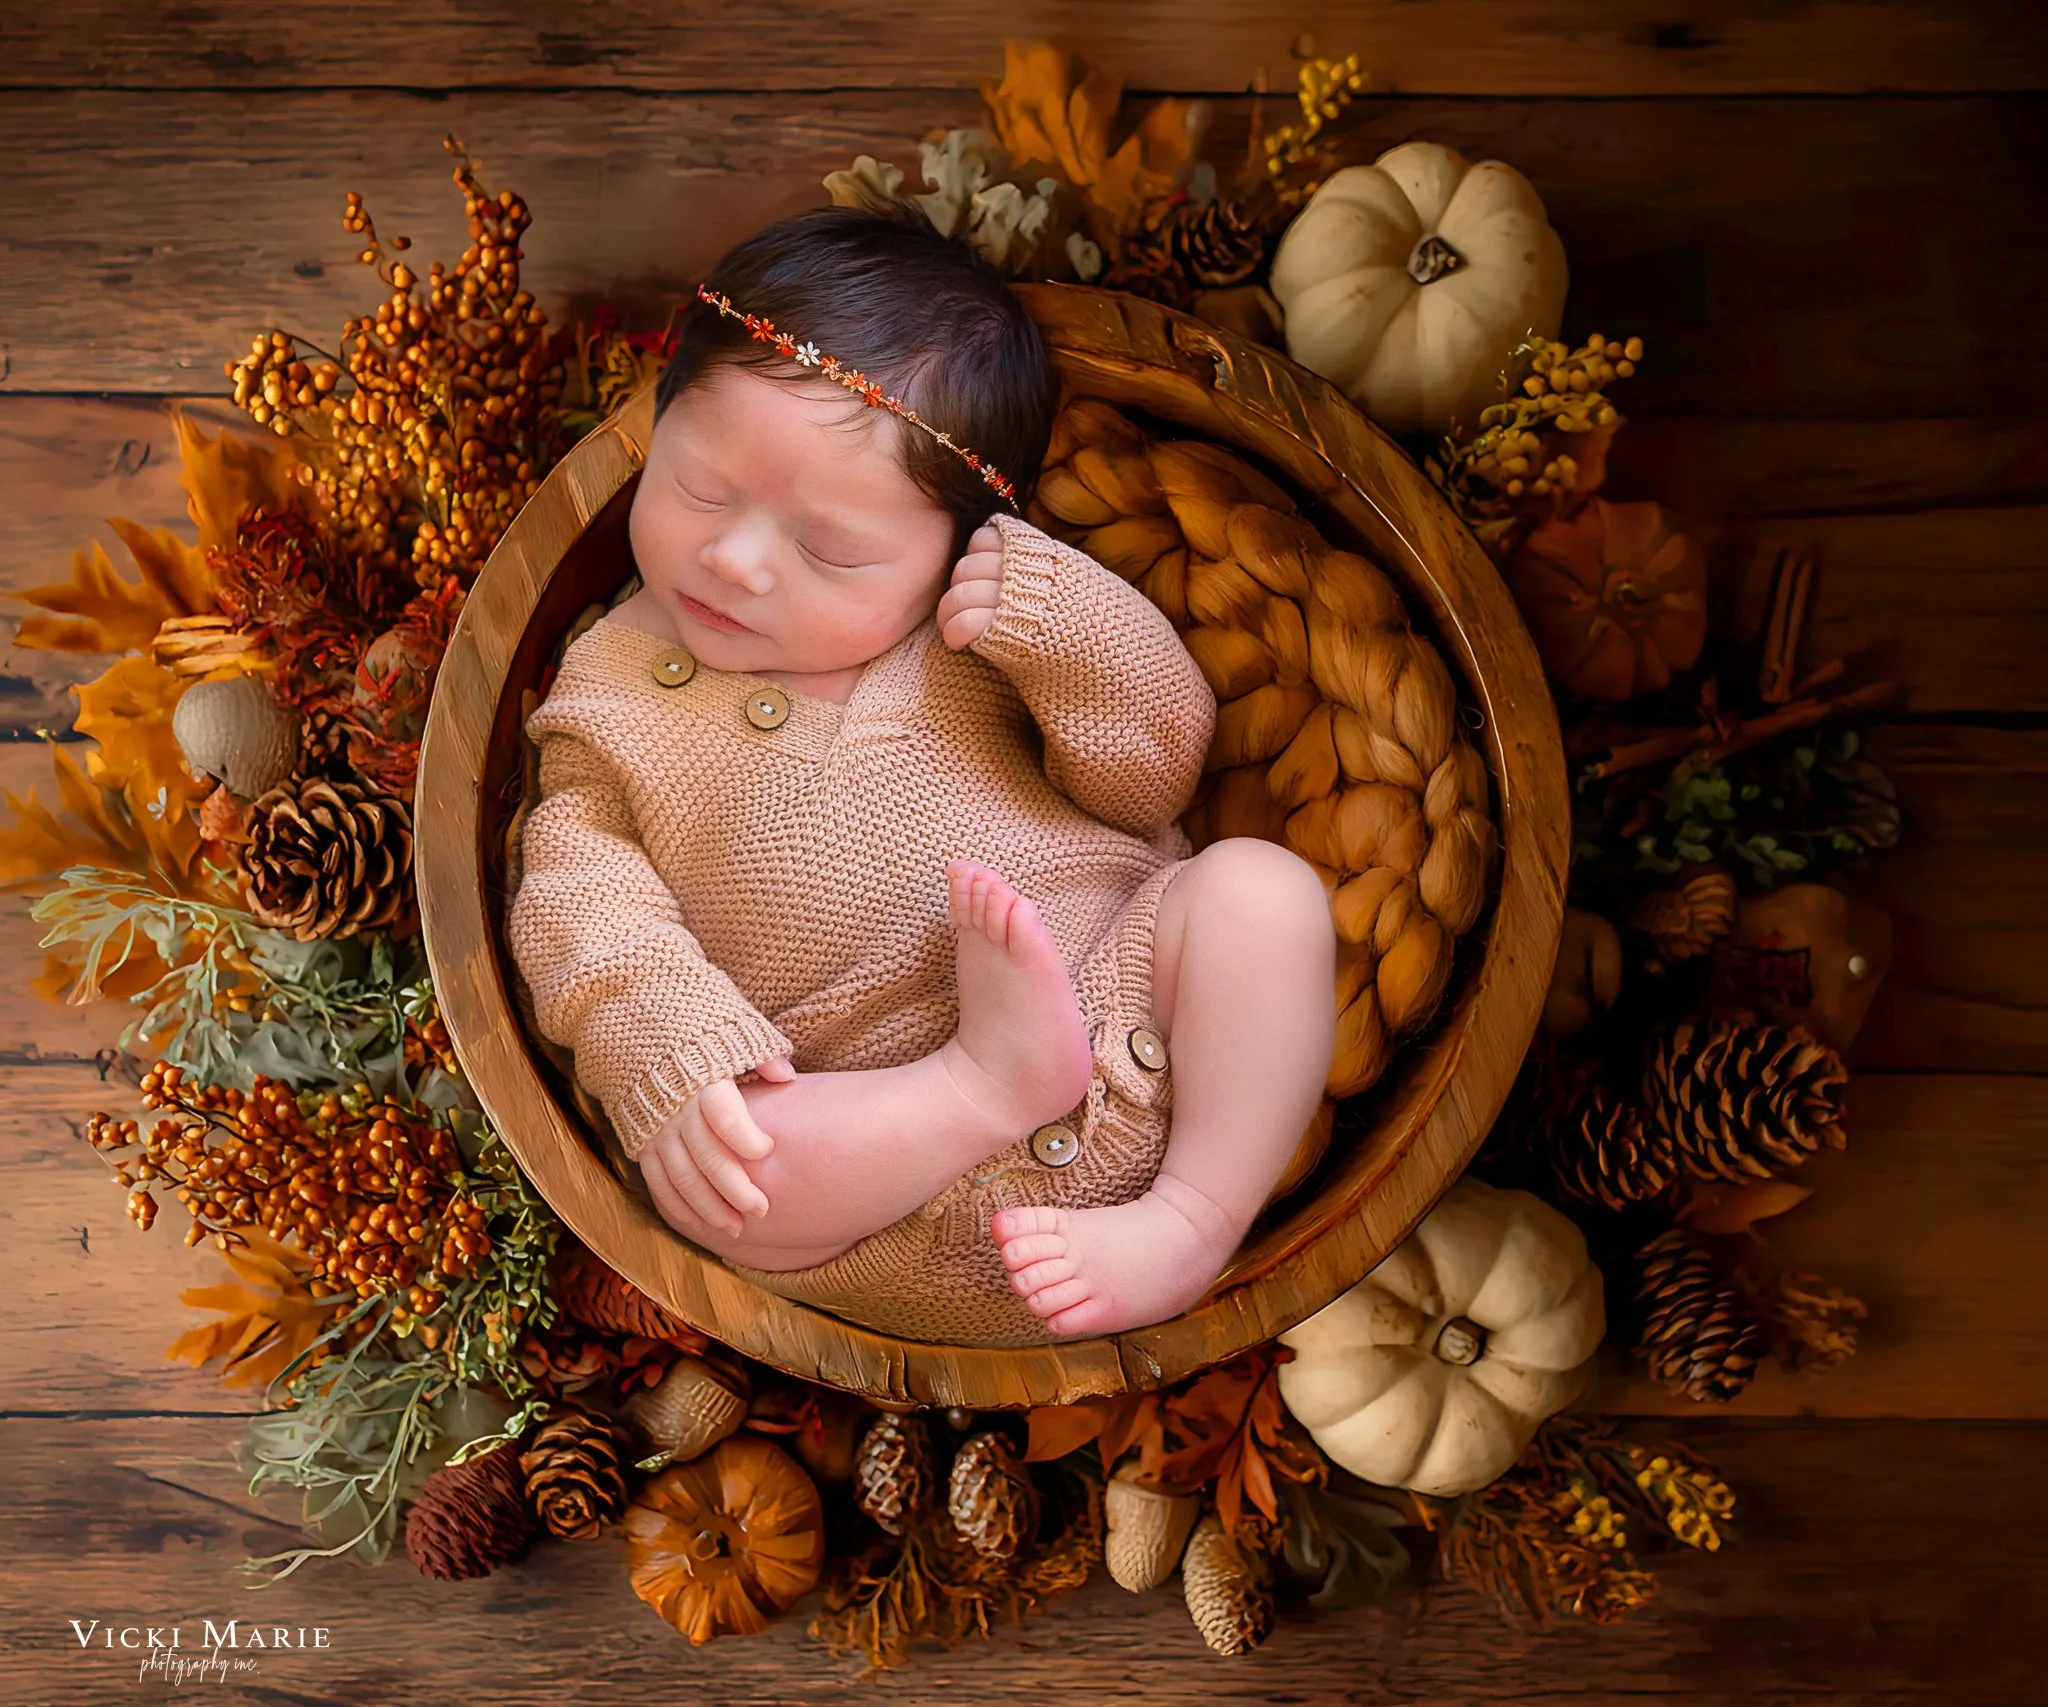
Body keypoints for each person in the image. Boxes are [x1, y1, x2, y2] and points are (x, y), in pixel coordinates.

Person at [508, 202, 1336, 1345]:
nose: (734, 559)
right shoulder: (605, 695)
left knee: (1259, 896)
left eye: (830, 550)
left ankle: (1193, 1218)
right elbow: (576, 896)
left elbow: (1150, 785)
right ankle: (983, 1081)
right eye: (699, 488)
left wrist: (1063, 620)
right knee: (717, 1181)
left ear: (954, 544)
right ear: (657, 424)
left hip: (1124, 1010)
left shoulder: (980, 631)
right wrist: (667, 1044)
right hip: (875, 1170)